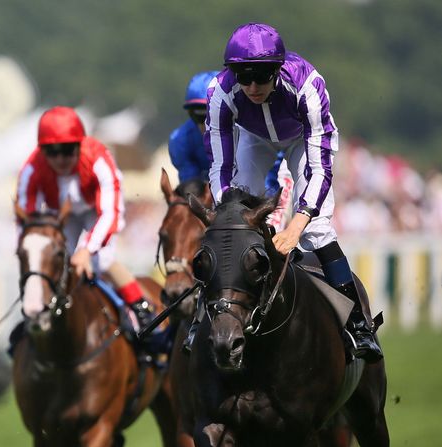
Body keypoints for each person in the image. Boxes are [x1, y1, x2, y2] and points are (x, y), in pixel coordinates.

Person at [192, 22, 381, 362]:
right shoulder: (220, 93)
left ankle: (358, 327)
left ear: (277, 70)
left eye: (261, 76)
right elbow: (220, 166)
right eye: (242, 76)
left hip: (301, 140)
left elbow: (320, 168)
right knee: (233, 220)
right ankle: (202, 317)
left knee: (318, 229)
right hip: (253, 139)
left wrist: (296, 225)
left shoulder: (307, 85)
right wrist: (229, 214)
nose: (251, 86)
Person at [16, 106, 156, 336]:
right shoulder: (31, 169)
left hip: (96, 211)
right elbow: (26, 222)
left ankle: (140, 306)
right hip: (61, 217)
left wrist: (87, 249)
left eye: (68, 150)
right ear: (42, 151)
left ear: (80, 145)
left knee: (102, 260)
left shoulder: (99, 159)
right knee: (54, 261)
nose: (60, 159)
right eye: (52, 151)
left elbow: (110, 213)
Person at [169, 70, 290, 226]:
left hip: (273, 180)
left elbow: (268, 178)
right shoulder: (179, 141)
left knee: (272, 229)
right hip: (225, 196)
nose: (202, 125)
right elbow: (194, 191)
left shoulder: (251, 129)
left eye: (207, 115)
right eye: (196, 116)